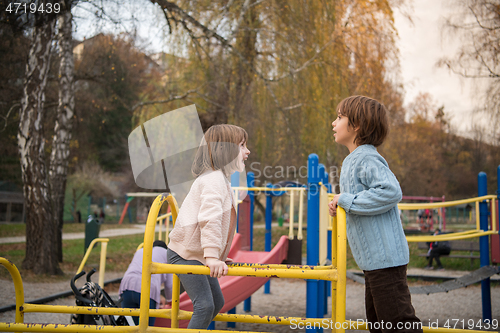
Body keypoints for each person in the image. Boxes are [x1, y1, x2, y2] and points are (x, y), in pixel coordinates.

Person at [328, 96, 422, 333]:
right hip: (373, 262)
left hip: (385, 260)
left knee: (398, 325)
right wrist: (340, 205)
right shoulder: (353, 160)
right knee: (378, 324)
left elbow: (390, 191)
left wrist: (347, 200)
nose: (333, 122)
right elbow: (361, 201)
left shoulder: (366, 157)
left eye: (339, 117)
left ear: (356, 125)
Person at [167, 124, 250, 329]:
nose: (247, 151)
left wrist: (217, 256)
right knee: (204, 305)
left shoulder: (220, 179)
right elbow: (209, 219)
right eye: (242, 146)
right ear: (225, 150)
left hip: (196, 255)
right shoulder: (213, 179)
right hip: (185, 255)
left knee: (217, 303)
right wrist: (212, 256)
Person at [119, 240, 173, 326]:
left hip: (126, 285)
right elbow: (170, 285)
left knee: (130, 326)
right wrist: (171, 301)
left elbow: (138, 274)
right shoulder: (167, 254)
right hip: (147, 287)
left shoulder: (141, 250)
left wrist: (159, 296)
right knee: (147, 327)